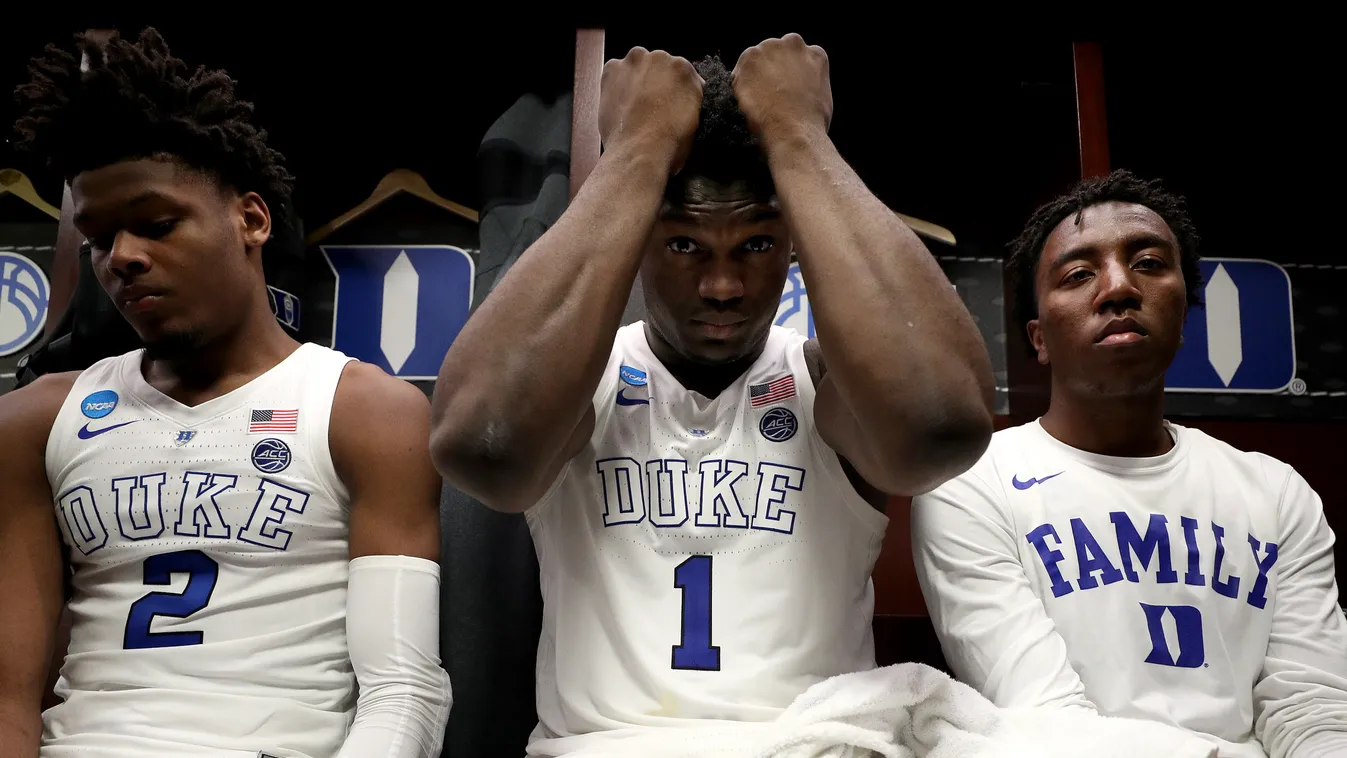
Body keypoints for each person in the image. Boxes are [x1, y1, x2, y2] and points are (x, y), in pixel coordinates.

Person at [430, 34, 996, 755]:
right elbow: (484, 451)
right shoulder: (579, 386)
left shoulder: (826, 385)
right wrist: (635, 148)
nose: (723, 287)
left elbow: (937, 428)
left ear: (794, 243)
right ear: (636, 238)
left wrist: (797, 134)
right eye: (684, 245)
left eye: (756, 245)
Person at [0, 28, 450, 757]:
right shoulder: (33, 420)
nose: (123, 259)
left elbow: (403, 692)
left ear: (251, 219)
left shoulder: (365, 411)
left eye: (156, 224)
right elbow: (7, 697)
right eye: (99, 237)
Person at [911, 170, 1347, 758]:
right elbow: (1046, 718)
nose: (1118, 288)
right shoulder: (970, 483)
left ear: (1185, 314)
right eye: (1079, 274)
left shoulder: (1276, 492)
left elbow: (1312, 707)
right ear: (1037, 337)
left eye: (1147, 263)